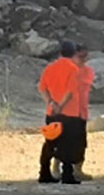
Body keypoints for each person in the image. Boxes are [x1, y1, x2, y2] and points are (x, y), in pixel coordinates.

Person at [37, 40, 82, 184]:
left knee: (50, 142)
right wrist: (61, 105)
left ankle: (44, 172)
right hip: (69, 113)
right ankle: (67, 174)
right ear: (74, 53)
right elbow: (70, 91)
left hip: (51, 112)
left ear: (59, 52)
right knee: (68, 143)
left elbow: (42, 88)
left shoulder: (50, 68)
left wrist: (50, 102)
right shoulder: (74, 69)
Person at [71, 46, 95, 181]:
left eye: (85, 57)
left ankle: (78, 169)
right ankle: (57, 167)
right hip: (67, 111)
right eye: (80, 57)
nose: (83, 60)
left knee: (81, 142)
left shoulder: (87, 71)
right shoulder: (67, 71)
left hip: (81, 112)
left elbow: (81, 85)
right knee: (63, 141)